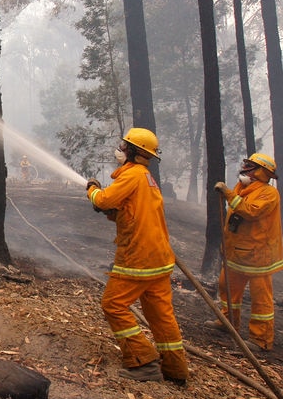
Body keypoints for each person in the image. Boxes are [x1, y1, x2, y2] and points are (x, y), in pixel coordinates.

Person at [86, 128, 189, 384]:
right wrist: (114, 213)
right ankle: (176, 370)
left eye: (124, 146)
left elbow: (103, 199)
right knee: (161, 315)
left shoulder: (132, 175)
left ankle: (143, 361)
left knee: (113, 304)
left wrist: (92, 189)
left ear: (132, 151)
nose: (120, 150)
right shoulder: (147, 178)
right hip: (160, 258)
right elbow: (134, 212)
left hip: (139, 258)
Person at [208, 153, 283, 352]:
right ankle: (227, 323)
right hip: (237, 253)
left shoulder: (268, 194)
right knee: (227, 288)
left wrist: (228, 193)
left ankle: (261, 339)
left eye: (249, 166)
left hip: (258, 256)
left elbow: (250, 211)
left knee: (261, 299)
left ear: (261, 172)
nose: (244, 168)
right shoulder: (243, 188)